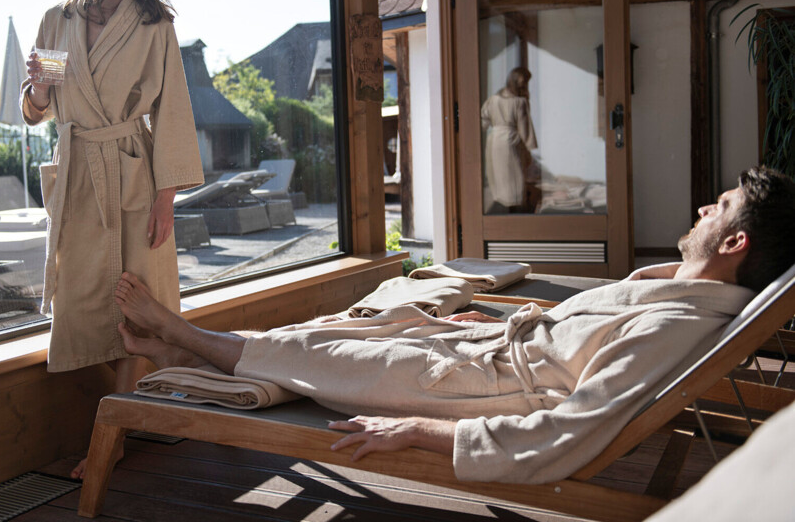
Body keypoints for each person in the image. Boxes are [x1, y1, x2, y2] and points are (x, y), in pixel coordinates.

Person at [112, 166, 795, 484]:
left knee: (324, 352)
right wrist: (510, 317)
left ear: (735, 245)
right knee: (365, 328)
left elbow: (567, 434)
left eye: (721, 206)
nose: (706, 207)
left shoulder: (677, 326)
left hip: (477, 392)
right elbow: (588, 341)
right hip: (496, 350)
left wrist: (417, 430)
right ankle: (189, 350)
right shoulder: (682, 295)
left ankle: (176, 334)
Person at [20, 0, 203, 478]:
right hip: (78, 171)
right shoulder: (58, 21)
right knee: (81, 302)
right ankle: (141, 402)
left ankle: (115, 435)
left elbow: (172, 107)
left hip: (133, 168)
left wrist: (166, 195)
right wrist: (39, 90)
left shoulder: (156, 25)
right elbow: (35, 110)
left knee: (136, 294)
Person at [481, 67, 538, 212]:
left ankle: (503, 209)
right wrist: (529, 148)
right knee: (515, 179)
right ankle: (516, 211)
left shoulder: (493, 100)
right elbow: (525, 129)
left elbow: (483, 121)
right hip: (511, 141)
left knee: (499, 178)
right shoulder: (519, 102)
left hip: (494, 140)